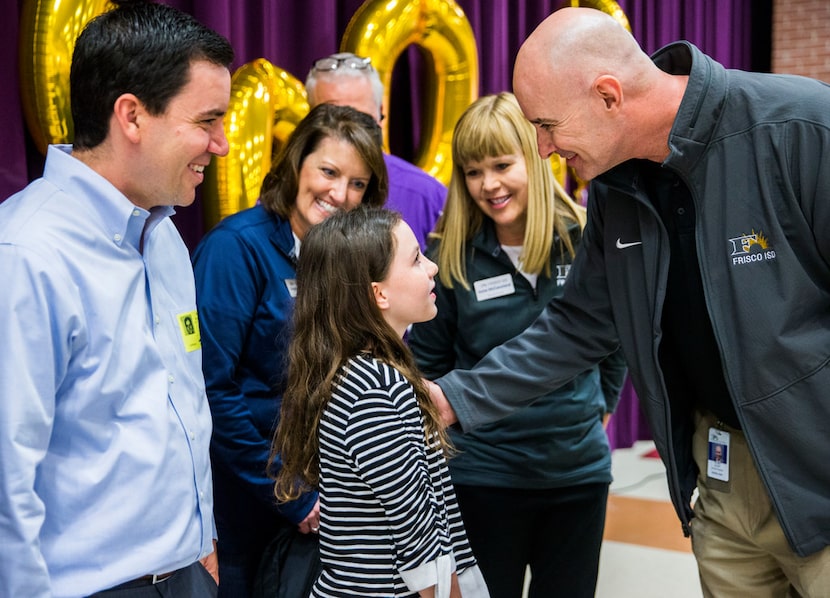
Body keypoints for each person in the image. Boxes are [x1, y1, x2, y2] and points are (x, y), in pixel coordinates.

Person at [426, 6, 830, 598]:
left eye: (547, 125)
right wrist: (452, 397)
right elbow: (580, 324)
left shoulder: (799, 128)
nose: (541, 149)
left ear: (608, 96)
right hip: (720, 478)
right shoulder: (616, 187)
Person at [0, 1, 232, 596]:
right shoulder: (26, 253)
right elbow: (7, 477)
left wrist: (199, 541)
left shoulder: (166, 239)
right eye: (207, 121)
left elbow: (181, 403)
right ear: (131, 115)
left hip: (186, 573)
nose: (223, 145)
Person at [409, 92, 626, 598]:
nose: (489, 185)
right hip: (485, 480)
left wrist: (600, 411)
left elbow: (614, 343)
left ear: (535, 157)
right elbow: (431, 366)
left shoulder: (586, 237)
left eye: (502, 165)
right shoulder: (448, 255)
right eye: (472, 171)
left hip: (576, 474)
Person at [191, 102, 388, 597]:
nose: (340, 194)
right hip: (248, 500)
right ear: (297, 162)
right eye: (329, 171)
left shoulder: (341, 261)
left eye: (358, 183)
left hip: (319, 503)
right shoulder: (236, 248)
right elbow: (213, 389)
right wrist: (290, 493)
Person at [270, 207, 489, 597]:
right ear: (379, 293)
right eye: (416, 259)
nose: (433, 268)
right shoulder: (374, 385)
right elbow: (417, 527)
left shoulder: (367, 373)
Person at [305, 51, 447, 249]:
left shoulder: (427, 197)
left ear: (381, 118)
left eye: (360, 119)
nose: (346, 131)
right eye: (332, 117)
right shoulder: (287, 194)